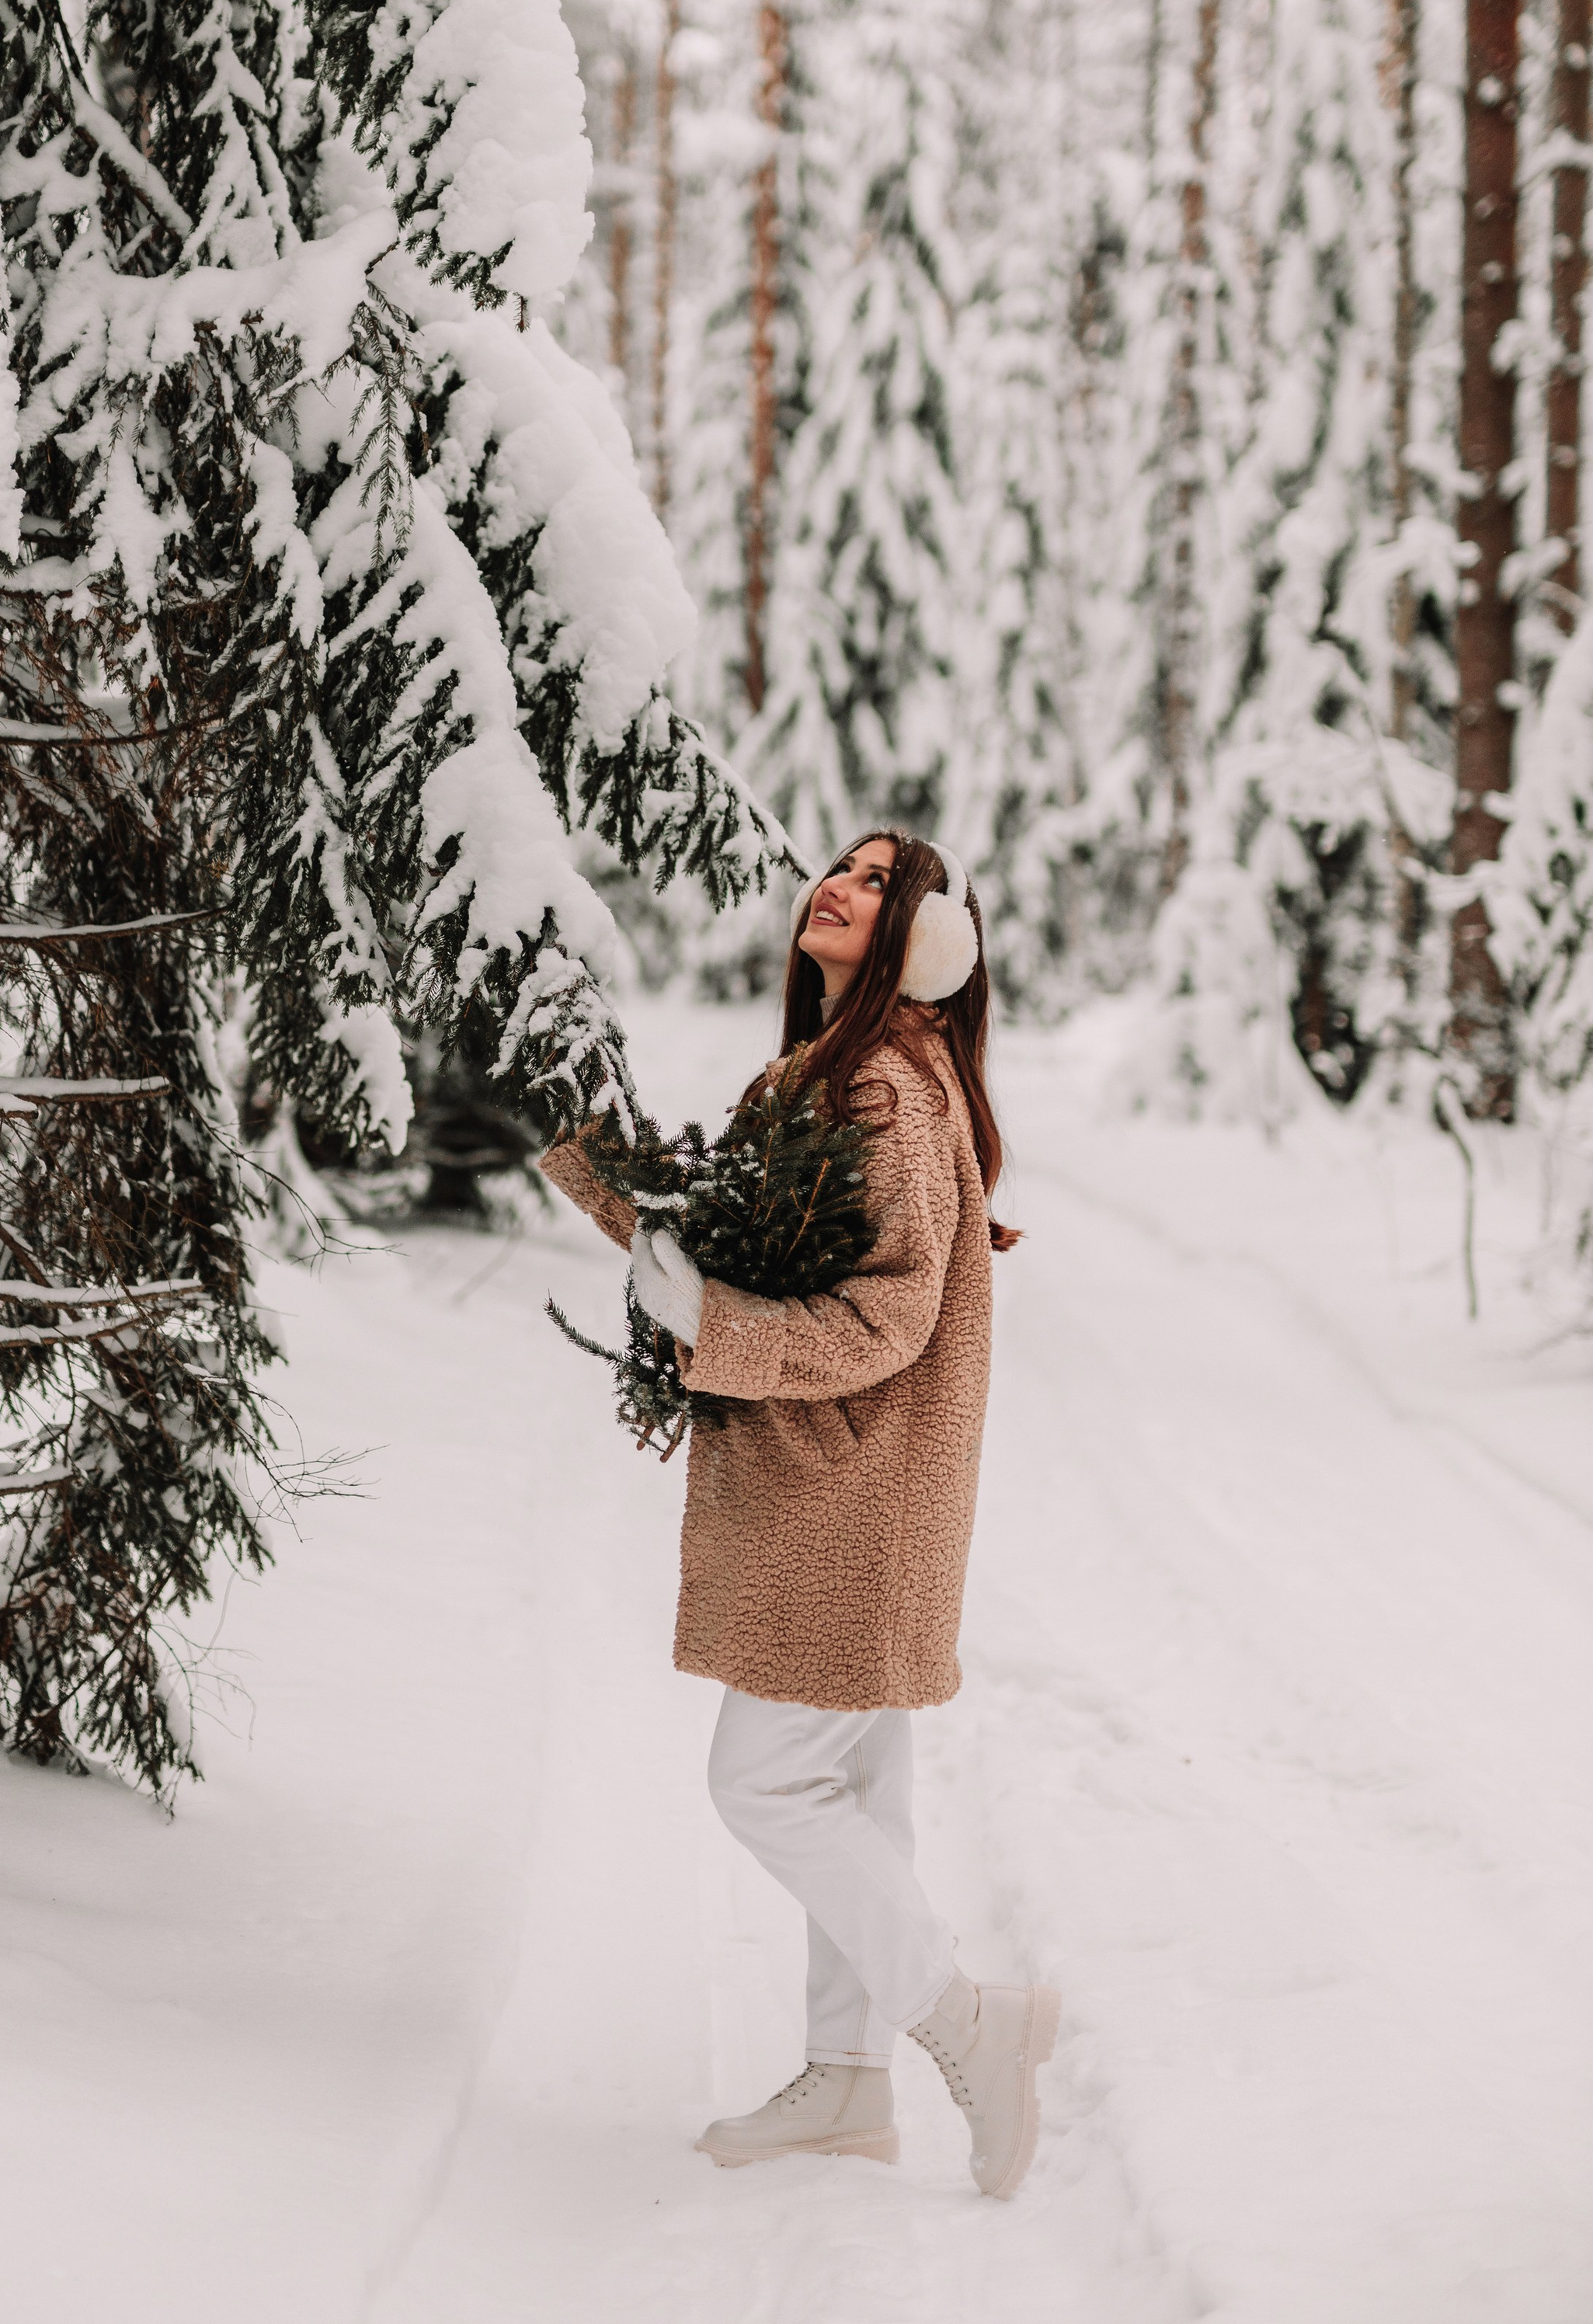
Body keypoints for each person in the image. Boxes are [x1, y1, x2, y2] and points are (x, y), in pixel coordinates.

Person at [540, 830, 1058, 2198]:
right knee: (857, 1801)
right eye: (844, 865)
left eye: (883, 882)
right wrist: (586, 1152)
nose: (842, 885)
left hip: (852, 1500)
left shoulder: (880, 1083)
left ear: (927, 941)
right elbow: (722, 1233)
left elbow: (888, 1315)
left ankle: (970, 2026)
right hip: (861, 1490)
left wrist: (713, 1326)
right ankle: (847, 2080)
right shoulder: (836, 1069)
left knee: (764, 1783)